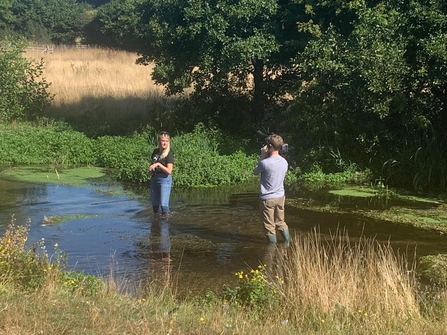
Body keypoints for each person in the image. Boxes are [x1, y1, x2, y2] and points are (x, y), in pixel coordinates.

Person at [253, 134, 291, 244]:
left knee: (269, 226)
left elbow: (255, 171)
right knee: (280, 222)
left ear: (269, 146)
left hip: (268, 199)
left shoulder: (264, 163)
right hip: (280, 197)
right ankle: (288, 243)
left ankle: (272, 249)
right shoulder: (284, 162)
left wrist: (262, 155)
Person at [149, 131, 174, 215]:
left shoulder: (169, 154)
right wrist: (150, 170)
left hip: (164, 179)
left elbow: (169, 171)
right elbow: (152, 164)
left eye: (166, 141)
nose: (164, 143)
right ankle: (156, 224)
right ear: (159, 141)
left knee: (164, 206)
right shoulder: (155, 152)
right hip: (154, 179)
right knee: (155, 206)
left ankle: (166, 224)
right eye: (163, 141)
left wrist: (159, 164)